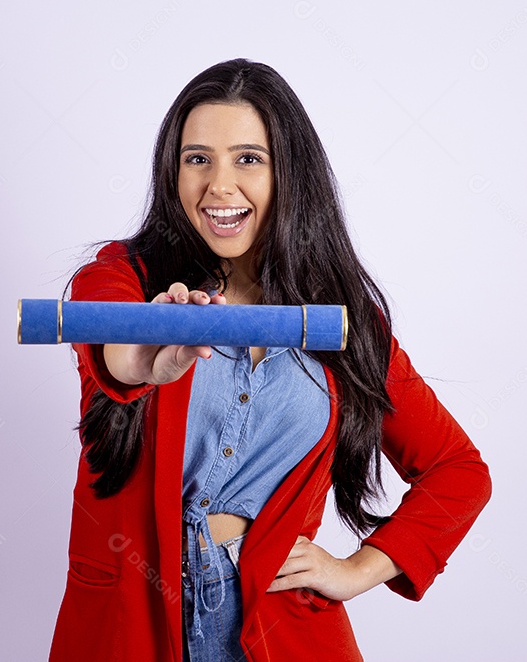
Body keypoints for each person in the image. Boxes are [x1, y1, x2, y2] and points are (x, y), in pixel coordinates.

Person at [48, 58, 492, 661]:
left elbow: (457, 470)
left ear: (289, 173)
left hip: (280, 629)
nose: (219, 185)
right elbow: (116, 351)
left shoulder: (340, 323)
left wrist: (360, 568)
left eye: (248, 159)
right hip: (136, 621)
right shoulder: (124, 279)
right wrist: (146, 357)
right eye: (197, 158)